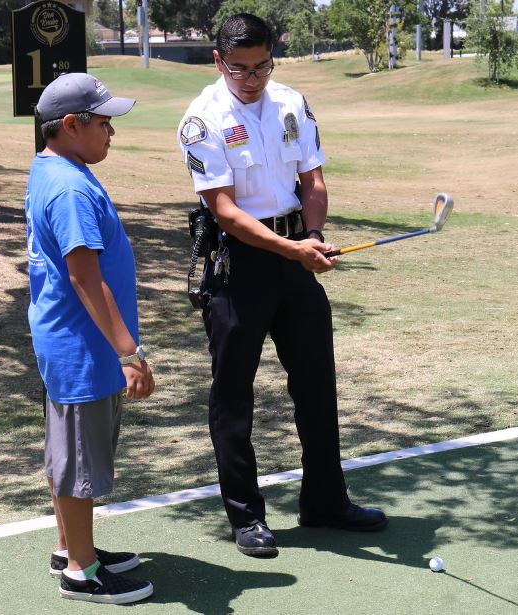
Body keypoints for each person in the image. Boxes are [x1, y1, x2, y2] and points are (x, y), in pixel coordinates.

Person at [177, 13, 388, 558]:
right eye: (240, 69)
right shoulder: (202, 120)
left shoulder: (292, 102)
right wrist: (293, 249)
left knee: (317, 383)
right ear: (218, 61)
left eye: (263, 66)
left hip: (296, 257)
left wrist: (312, 236)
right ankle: (246, 517)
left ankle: (325, 501)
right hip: (239, 266)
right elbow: (223, 210)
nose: (253, 79)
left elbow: (312, 179)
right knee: (234, 394)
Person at [26, 72, 155, 604]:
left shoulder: (54, 167)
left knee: (68, 452)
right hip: (84, 347)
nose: (111, 133)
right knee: (80, 461)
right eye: (104, 123)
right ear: (73, 125)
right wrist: (131, 352)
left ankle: (70, 545)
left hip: (73, 342)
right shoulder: (72, 187)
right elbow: (84, 276)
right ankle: (80, 570)